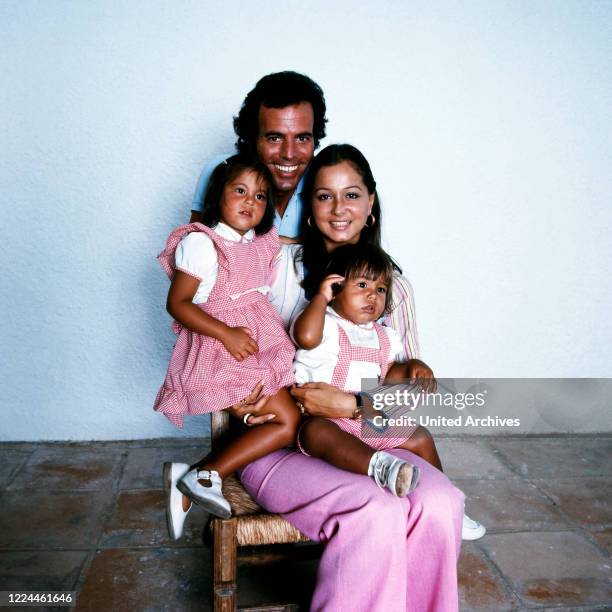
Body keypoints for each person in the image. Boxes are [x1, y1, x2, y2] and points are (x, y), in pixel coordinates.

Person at [166, 143, 465, 610]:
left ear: (370, 205)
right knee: (377, 509)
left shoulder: (393, 289)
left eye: (352, 195)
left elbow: (409, 393)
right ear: (309, 208)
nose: (338, 210)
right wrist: (238, 393)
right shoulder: (277, 266)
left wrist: (353, 405)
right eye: (324, 196)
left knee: (443, 502)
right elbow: (214, 331)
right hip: (281, 443)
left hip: (372, 436)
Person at [154, 154, 300, 536]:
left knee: (285, 417)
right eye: (240, 191)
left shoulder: (257, 241)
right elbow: (178, 303)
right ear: (217, 196)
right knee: (287, 421)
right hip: (221, 346)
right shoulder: (204, 243)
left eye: (261, 196)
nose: (250, 202)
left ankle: (196, 477)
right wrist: (226, 333)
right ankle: (203, 474)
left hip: (257, 341)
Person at [292, 243, 422, 497]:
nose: (372, 295)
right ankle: (381, 466)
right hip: (324, 417)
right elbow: (305, 337)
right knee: (314, 432)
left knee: (420, 436)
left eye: (380, 289)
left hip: (365, 417)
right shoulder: (323, 322)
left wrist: (412, 368)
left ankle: (440, 493)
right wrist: (321, 297)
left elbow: (389, 375)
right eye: (363, 285)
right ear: (335, 287)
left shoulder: (384, 335)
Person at [189, 71, 327, 238]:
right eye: (274, 138)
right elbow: (192, 249)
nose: (289, 154)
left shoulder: (329, 183)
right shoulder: (222, 170)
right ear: (252, 138)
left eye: (302, 138)